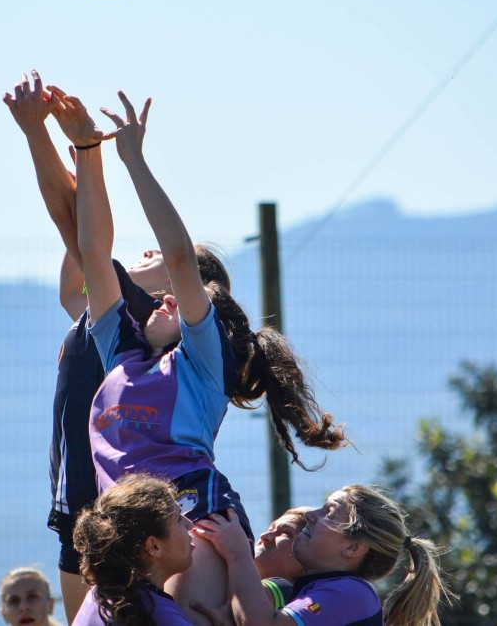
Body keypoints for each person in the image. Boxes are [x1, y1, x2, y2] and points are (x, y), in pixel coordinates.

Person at [49, 87, 348, 626]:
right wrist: (88, 152)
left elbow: (183, 261)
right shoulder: (119, 350)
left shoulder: (201, 366)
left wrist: (132, 158)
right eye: (162, 298)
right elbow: (95, 253)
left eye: (179, 299)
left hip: (193, 517)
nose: (167, 298)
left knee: (200, 615)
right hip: (121, 531)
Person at [3, 71, 231, 623]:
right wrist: (60, 140)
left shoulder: (151, 329)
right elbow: (80, 231)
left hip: (152, 520)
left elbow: (81, 228)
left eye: (162, 258)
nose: (149, 250)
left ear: (182, 289)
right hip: (90, 509)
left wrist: (84, 148)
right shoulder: (117, 337)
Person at [193, 485, 453, 626]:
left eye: (328, 511)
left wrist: (238, 553)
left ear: (353, 548)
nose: (310, 515)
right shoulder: (310, 590)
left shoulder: (352, 593)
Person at [71, 473, 198, 626]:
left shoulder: (97, 598)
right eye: (178, 518)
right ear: (154, 546)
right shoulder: (159, 616)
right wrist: (235, 556)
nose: (189, 524)